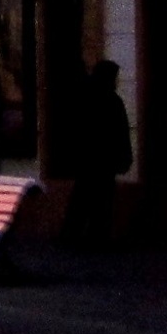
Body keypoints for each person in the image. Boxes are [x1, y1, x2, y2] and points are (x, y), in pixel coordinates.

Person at [64, 61, 133, 249]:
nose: (117, 81)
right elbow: (121, 132)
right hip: (104, 160)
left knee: (82, 198)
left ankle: (72, 236)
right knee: (101, 201)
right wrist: (125, 157)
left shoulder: (84, 96)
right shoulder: (112, 100)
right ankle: (96, 237)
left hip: (88, 160)